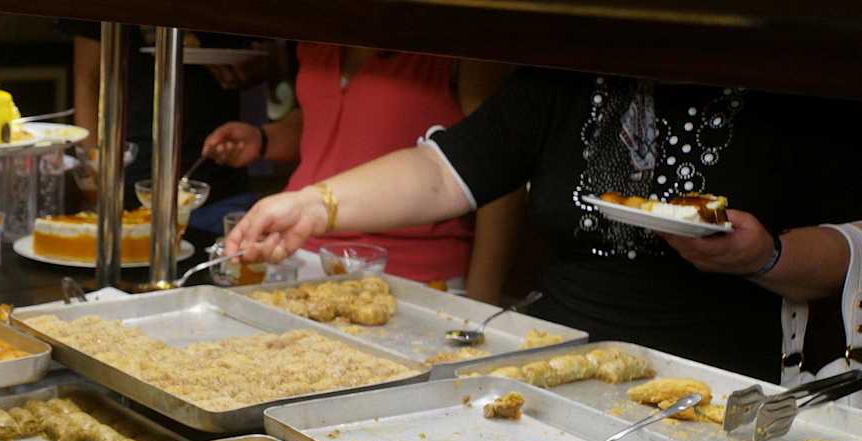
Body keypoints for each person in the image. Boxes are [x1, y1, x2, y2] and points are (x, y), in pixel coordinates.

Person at [229, 69, 862, 381]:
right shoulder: (572, 67)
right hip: (554, 366)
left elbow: (849, 247)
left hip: (718, 384)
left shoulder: (797, 75)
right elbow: (447, 171)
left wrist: (766, 257)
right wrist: (315, 204)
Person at [203, 46, 522, 303]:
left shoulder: (458, 45)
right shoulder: (317, 36)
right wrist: (265, 139)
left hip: (409, 274)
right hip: (296, 254)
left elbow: (497, 163)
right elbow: (324, 121)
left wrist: (482, 301)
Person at [66, 23, 260, 221]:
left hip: (220, 178)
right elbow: (87, 80)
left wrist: (259, 67)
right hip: (130, 178)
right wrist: (96, 182)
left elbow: (271, 56)